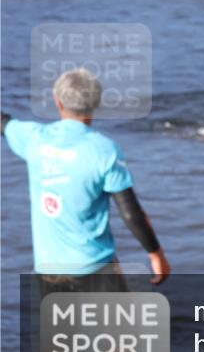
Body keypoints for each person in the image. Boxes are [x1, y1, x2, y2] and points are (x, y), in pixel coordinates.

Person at [2, 69, 170, 294]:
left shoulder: (34, 138)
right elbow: (132, 213)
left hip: (49, 272)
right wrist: (156, 254)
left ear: (58, 101)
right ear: (96, 103)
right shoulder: (104, 150)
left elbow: (3, 122)